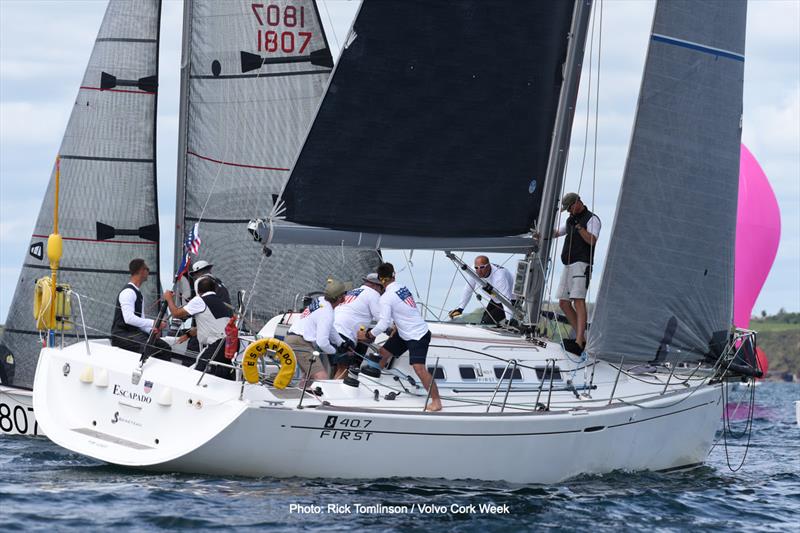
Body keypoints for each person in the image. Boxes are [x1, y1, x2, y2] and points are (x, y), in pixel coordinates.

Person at [364, 263, 442, 412]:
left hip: (418, 335)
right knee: (383, 354)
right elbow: (403, 310)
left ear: (381, 279)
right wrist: (396, 326)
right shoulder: (401, 287)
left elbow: (382, 324)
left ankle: (436, 402)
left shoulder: (386, 297)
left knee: (419, 369)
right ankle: (373, 387)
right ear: (394, 275)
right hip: (404, 332)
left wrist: (368, 335)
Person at [553, 192, 601, 349]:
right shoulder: (570, 220)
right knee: (563, 302)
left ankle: (579, 341)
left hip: (582, 264)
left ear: (577, 203)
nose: (569, 212)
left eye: (570, 208)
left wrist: (579, 227)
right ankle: (582, 338)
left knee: (578, 300)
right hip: (568, 264)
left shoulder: (592, 219)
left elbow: (592, 240)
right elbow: (558, 232)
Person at [163, 277, 234, 379]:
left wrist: (169, 298)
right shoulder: (220, 303)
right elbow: (212, 326)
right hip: (228, 345)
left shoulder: (200, 300)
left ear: (198, 291)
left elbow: (176, 314)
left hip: (217, 345)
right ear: (214, 289)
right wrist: (188, 334)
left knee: (197, 375)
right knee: (220, 377)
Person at [285, 279, 349, 386]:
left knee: (309, 377)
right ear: (339, 298)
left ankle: (303, 398)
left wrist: (341, 343)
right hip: (300, 343)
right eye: (344, 294)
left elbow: (330, 327)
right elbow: (322, 342)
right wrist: (336, 352)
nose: (346, 296)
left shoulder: (321, 300)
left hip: (294, 339)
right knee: (322, 378)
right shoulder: (327, 313)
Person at [110, 258, 172, 360]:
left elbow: (141, 321)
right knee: (150, 347)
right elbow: (128, 319)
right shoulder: (128, 292)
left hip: (134, 335)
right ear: (141, 271)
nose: (149, 272)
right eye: (147, 269)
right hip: (121, 336)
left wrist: (152, 330)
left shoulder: (139, 294)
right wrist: (154, 323)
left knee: (165, 348)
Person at [332, 273, 384, 378]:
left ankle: (307, 390)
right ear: (376, 286)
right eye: (382, 288)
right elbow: (382, 318)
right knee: (344, 368)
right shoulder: (373, 294)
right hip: (344, 334)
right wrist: (391, 328)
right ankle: (333, 394)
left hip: (330, 330)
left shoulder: (352, 292)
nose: (382, 291)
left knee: (324, 368)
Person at [448, 256, 515, 324]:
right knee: (484, 322)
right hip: (496, 298)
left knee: (487, 322)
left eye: (482, 267)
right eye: (476, 268)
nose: (479, 270)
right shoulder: (473, 270)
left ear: (488, 266)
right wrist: (460, 308)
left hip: (511, 299)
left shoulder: (499, 277)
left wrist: (508, 320)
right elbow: (468, 289)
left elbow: (506, 302)